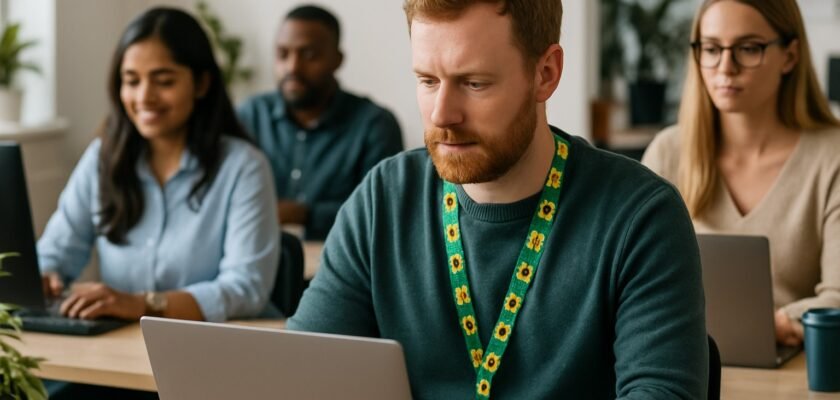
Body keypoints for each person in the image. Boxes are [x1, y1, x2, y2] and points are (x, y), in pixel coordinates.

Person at [288, 1, 708, 398]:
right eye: (427, 81)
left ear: (545, 73)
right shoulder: (382, 202)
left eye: (474, 83)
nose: (441, 114)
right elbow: (301, 376)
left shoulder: (641, 218)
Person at [38, 7, 279, 325]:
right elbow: (55, 252)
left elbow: (246, 288)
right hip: (119, 349)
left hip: (214, 349)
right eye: (131, 81)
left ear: (202, 84)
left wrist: (142, 304)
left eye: (163, 81)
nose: (144, 96)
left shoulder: (243, 166)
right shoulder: (102, 158)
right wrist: (45, 276)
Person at [641, 0, 840, 347]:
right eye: (712, 49)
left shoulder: (832, 156)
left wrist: (779, 324)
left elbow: (838, 298)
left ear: (790, 56)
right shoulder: (667, 151)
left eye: (749, 49)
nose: (726, 67)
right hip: (682, 368)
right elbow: (631, 286)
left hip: (796, 371)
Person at [237, 5, 404, 240]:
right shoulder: (250, 115)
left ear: (337, 60)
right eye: (283, 54)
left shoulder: (374, 125)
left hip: (342, 264)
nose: (293, 67)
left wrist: (304, 215)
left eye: (309, 55)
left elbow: (382, 212)